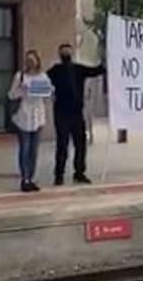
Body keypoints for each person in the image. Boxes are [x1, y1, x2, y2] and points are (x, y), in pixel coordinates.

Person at [47, 43, 104, 186]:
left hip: (77, 113)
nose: (66, 54)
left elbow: (96, 70)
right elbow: (42, 82)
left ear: (72, 53)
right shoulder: (55, 71)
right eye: (63, 52)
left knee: (81, 144)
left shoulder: (79, 69)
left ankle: (79, 173)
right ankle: (59, 175)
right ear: (60, 55)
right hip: (61, 113)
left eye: (68, 52)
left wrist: (107, 58)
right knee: (62, 145)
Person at [8, 49, 51, 192]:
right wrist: (22, 90)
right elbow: (11, 95)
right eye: (28, 60)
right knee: (24, 148)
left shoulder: (43, 76)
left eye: (33, 60)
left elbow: (47, 94)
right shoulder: (20, 76)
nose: (30, 63)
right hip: (24, 115)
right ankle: (24, 178)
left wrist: (47, 90)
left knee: (34, 150)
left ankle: (31, 177)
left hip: (38, 116)